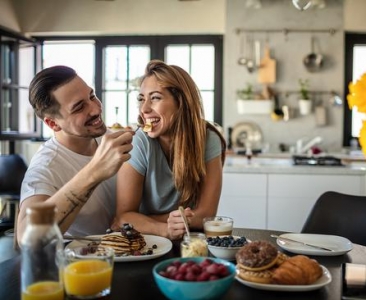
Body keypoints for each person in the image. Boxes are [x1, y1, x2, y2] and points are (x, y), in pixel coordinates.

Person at [17, 65, 134, 244]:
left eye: (92, 96)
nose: (95, 109)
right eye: (79, 107)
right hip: (86, 265)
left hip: (141, 254)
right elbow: (26, 238)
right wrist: (94, 172)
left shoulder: (113, 138)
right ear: (53, 123)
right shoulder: (46, 166)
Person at [112, 60, 226, 240]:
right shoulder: (140, 141)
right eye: (141, 99)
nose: (144, 109)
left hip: (189, 240)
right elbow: (122, 218)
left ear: (181, 102)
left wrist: (146, 220)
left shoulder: (208, 139)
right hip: (146, 241)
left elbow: (206, 215)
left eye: (155, 98)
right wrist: (165, 227)